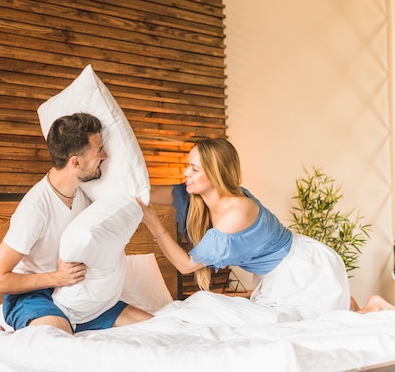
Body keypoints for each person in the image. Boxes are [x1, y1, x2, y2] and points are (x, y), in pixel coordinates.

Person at [137, 137, 394, 320]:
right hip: (280, 271)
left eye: (193, 168)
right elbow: (144, 194)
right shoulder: (197, 197)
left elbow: (185, 265)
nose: (186, 173)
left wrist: (153, 222)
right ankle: (352, 306)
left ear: (214, 175)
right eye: (188, 166)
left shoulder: (236, 211)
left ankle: (371, 309)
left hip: (300, 270)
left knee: (304, 327)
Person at [0, 112, 152, 334]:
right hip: (32, 297)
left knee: (153, 325)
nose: (105, 156)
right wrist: (57, 278)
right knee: (58, 337)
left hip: (77, 292)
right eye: (98, 151)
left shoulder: (87, 193)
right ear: (76, 162)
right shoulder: (34, 210)